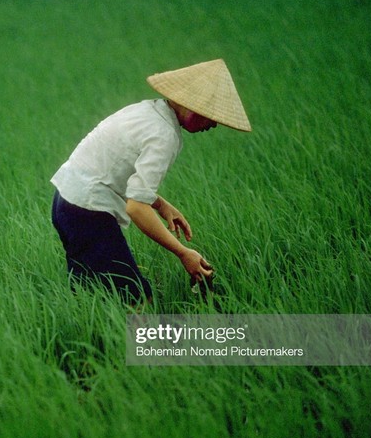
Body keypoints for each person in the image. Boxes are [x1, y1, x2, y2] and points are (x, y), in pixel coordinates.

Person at [50, 59, 251, 305]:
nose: (214, 124)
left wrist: (161, 204)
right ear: (192, 107)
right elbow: (136, 207)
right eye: (211, 116)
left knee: (89, 293)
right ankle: (141, 343)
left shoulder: (146, 110)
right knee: (137, 297)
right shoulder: (164, 135)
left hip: (65, 201)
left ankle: (90, 336)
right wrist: (183, 252)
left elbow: (115, 168)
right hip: (88, 211)